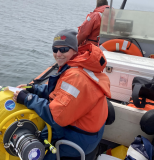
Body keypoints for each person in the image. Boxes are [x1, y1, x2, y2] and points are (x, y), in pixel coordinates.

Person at [13, 29, 111, 160]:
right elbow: (58, 92)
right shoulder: (78, 66)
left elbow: (56, 117)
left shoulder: (75, 77)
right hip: (91, 131)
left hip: (81, 139)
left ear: (75, 50)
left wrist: (27, 98)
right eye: (55, 49)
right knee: (43, 135)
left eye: (64, 49)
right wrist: (33, 89)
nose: (58, 54)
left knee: (40, 155)